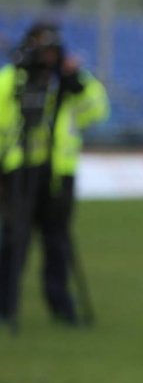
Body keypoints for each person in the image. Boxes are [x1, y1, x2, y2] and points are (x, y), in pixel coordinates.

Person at [0, 21, 109, 331]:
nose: (47, 56)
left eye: (52, 49)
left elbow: (98, 111)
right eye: (41, 48)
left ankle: (61, 305)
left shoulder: (70, 80)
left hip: (58, 172)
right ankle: (5, 305)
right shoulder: (12, 79)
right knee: (14, 240)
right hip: (18, 169)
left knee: (57, 242)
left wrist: (77, 80)